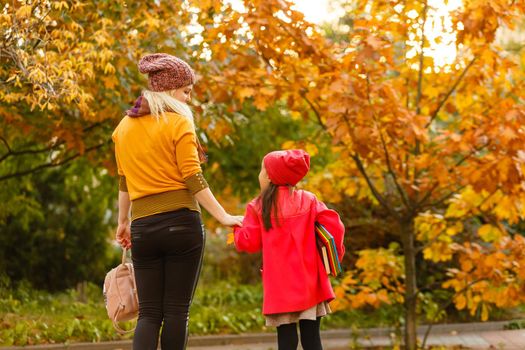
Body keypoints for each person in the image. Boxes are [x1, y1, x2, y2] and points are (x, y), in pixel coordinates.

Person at [112, 53, 243, 350]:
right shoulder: (178, 123)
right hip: (181, 225)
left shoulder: (122, 128)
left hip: (143, 227)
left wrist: (123, 222)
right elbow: (192, 177)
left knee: (148, 314)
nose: (188, 99)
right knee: (175, 311)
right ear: (170, 90)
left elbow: (123, 181)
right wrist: (223, 216)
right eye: (186, 91)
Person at [233, 149, 345, 350]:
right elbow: (335, 227)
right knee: (312, 339)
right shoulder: (308, 200)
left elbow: (247, 243)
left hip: (281, 287)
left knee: (286, 341)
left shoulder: (258, 207)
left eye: (261, 170)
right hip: (310, 282)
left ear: (269, 176)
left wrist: (236, 227)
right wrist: (334, 255)